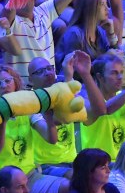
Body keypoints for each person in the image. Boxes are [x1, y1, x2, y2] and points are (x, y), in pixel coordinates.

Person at [0, 65, 69, 193]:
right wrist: (3, 118)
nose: (4, 86)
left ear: (15, 82)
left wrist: (49, 118)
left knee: (68, 188)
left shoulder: (25, 105)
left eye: (8, 81)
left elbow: (51, 139)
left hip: (28, 176)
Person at [2, 0, 93, 84]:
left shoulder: (44, 11)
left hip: (51, 86)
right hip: (25, 90)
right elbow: (8, 10)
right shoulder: (9, 22)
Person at [30, 51, 105, 179]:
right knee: (79, 177)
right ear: (30, 80)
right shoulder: (31, 101)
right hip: (45, 166)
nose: (47, 73)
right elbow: (61, 118)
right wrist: (68, 78)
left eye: (49, 68)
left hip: (72, 162)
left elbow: (99, 110)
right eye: (40, 71)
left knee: (100, 174)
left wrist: (85, 74)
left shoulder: (63, 93)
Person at [55, 0, 118, 67]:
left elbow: (115, 62)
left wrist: (111, 34)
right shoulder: (75, 34)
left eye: (106, 3)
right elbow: (76, 69)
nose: (107, 8)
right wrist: (105, 56)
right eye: (102, 4)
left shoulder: (100, 31)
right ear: (90, 7)